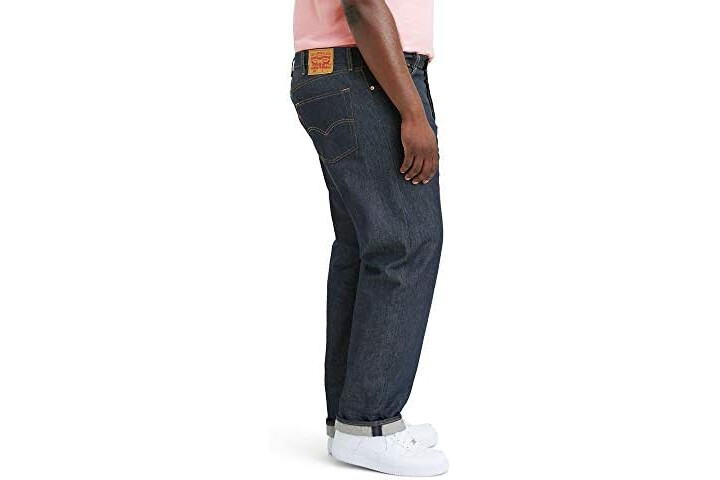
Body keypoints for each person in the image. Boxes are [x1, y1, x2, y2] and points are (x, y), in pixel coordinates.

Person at [290, 0, 447, 475]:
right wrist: (412, 111)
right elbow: (361, 5)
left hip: (348, 68)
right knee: (406, 242)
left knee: (363, 249)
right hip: (366, 69)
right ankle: (370, 422)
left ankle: (352, 419)